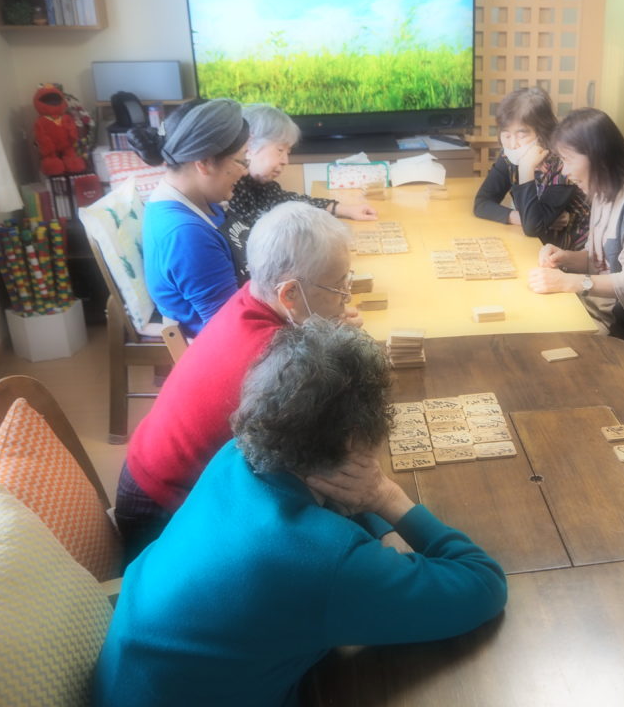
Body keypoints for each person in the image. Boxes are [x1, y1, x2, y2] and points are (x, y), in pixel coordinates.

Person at [94, 320, 508, 706]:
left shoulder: (237, 454)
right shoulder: (323, 558)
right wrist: (386, 496)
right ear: (353, 441)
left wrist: (369, 517)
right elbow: (483, 584)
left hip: (130, 677)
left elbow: (327, 510)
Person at [114, 201, 360, 565]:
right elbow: (322, 468)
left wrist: (322, 326)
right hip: (163, 517)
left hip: (148, 474)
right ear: (289, 294)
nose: (347, 297)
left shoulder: (252, 297)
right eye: (339, 287)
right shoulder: (276, 362)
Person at [527, 107, 624, 358]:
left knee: (535, 345)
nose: (564, 171)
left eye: (567, 159)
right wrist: (565, 257)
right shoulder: (604, 186)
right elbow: (601, 260)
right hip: (599, 310)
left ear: (596, 156)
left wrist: (570, 282)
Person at [221, 103, 379, 285]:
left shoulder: (260, 184)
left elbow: (288, 200)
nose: (285, 161)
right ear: (250, 144)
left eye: (288, 152)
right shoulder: (229, 190)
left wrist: (342, 208)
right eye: (280, 150)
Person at [131, 98, 249, 336]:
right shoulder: (186, 235)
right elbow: (231, 332)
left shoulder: (198, 200)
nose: (245, 171)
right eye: (241, 160)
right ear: (204, 162)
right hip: (236, 344)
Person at [473, 87, 589, 250]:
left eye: (521, 135)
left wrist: (526, 170)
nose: (513, 144)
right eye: (506, 135)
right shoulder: (510, 155)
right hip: (536, 246)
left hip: (571, 253)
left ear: (542, 133)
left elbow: (532, 228)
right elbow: (482, 203)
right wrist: (522, 217)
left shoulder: (562, 164)